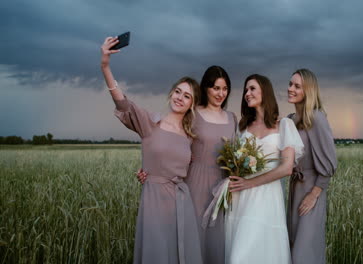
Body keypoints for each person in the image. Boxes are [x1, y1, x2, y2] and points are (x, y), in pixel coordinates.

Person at [100, 36, 203, 264]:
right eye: (178, 92)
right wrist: (105, 66)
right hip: (154, 202)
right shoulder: (150, 123)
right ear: (171, 94)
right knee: (156, 254)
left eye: (187, 96)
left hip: (181, 202)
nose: (180, 98)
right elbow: (123, 104)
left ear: (191, 104)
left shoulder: (190, 136)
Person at [136, 66, 236, 264]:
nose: (220, 93)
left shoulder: (232, 118)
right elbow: (170, 144)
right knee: (191, 241)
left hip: (221, 188)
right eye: (216, 88)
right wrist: (151, 170)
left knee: (216, 242)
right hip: (193, 185)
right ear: (205, 88)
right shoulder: (193, 114)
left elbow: (234, 153)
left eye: (224, 89)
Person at [227, 74, 304, 264]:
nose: (247, 93)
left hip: (267, 198)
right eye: (246, 90)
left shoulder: (284, 125)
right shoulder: (243, 127)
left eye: (252, 88)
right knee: (238, 254)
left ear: (265, 91)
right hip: (241, 197)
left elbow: (287, 168)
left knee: (260, 252)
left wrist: (250, 182)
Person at [286, 69, 337, 264]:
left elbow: (330, 163)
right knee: (293, 246)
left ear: (309, 91)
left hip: (311, 190)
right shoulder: (291, 119)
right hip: (294, 188)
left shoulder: (316, 118)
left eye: (297, 86)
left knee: (304, 251)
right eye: (290, 84)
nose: (291, 89)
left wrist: (314, 194)